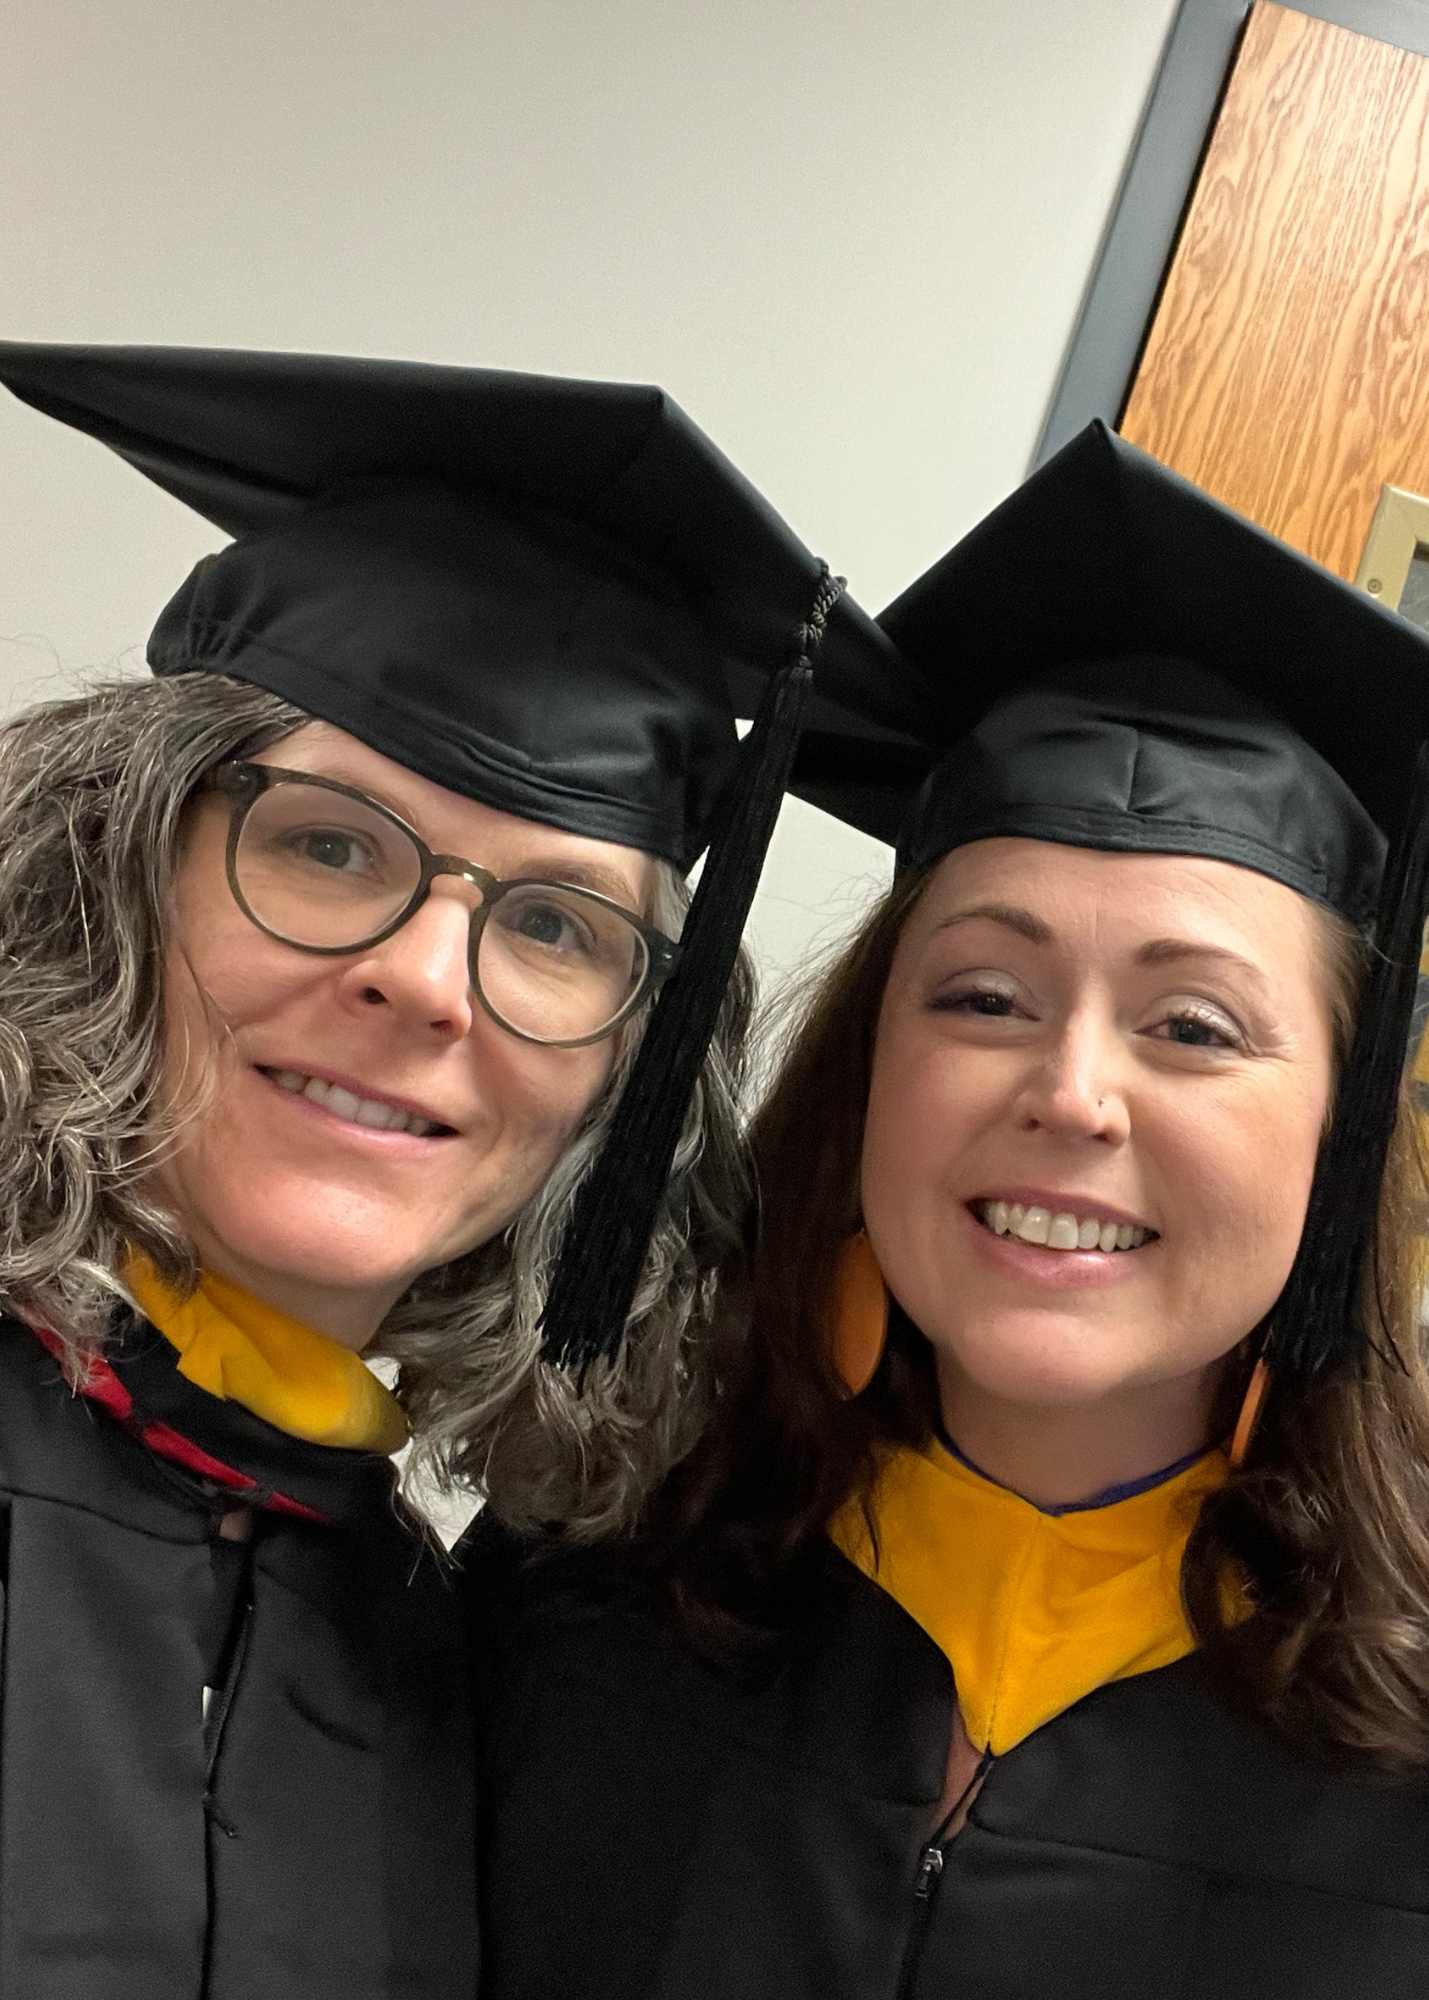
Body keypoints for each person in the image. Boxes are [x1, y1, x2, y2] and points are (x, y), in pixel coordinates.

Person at [473, 423, 1429, 2000]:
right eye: (984, 996)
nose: (1072, 1093)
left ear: (1343, 1139)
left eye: (1194, 1025)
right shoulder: (576, 1600)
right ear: (868, 1076)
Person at [0, 341, 898, 1998]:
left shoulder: (435, 1644)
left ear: (628, 1075)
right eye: (329, 843)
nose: (423, 977)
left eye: (555, 924)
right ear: (112, 872)